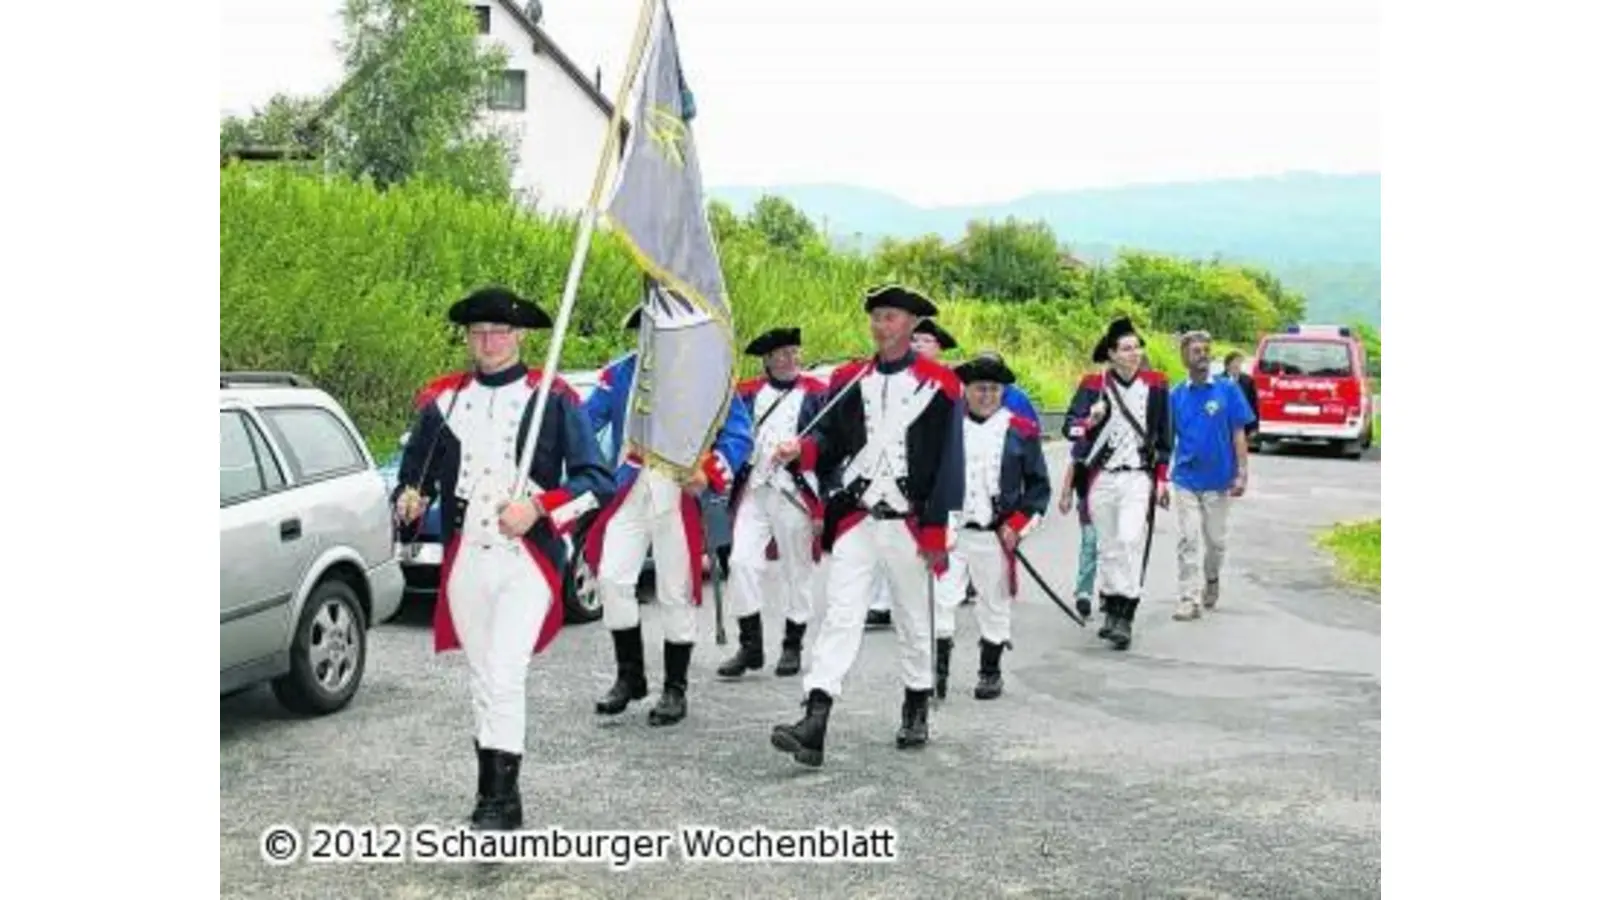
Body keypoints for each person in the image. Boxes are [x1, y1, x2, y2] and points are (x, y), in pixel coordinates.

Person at [393, 286, 616, 831]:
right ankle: (494, 795)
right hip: (468, 555)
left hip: (526, 558)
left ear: (519, 336)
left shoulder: (554, 397)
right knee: (481, 673)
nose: (488, 342)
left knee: (505, 670)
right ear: (469, 337)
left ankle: (499, 799)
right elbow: (413, 474)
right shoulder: (442, 400)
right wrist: (410, 499)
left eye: (499, 332)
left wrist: (540, 507)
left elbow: (596, 484)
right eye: (478, 332)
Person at [767, 284, 964, 766]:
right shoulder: (849, 379)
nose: (881, 326)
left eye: (891, 317)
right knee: (839, 615)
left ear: (913, 324)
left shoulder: (940, 385)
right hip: (857, 517)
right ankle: (815, 719)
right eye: (877, 316)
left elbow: (949, 464)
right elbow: (830, 441)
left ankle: (916, 702)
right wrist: (803, 452)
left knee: (914, 621)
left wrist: (937, 532)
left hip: (910, 523)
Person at [583, 306, 755, 727]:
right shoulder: (619, 374)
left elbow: (739, 433)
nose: (653, 339)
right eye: (647, 332)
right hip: (629, 489)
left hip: (679, 493)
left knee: (675, 592)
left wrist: (711, 469)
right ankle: (630, 676)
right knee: (611, 578)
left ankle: (675, 689)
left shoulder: (708, 378)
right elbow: (585, 421)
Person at [716, 326, 829, 679]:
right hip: (754, 490)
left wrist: (802, 449)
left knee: (798, 571)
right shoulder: (745, 393)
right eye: (782, 354)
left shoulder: (818, 394)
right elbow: (726, 431)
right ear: (767, 359)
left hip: (794, 491)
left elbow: (830, 438)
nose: (791, 359)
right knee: (741, 563)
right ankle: (750, 646)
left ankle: (792, 645)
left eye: (795, 352)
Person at [941, 353, 1051, 700]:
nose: (986, 395)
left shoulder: (1021, 430)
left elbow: (1038, 489)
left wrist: (1017, 525)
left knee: (994, 603)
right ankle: (936, 672)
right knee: (940, 603)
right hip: (951, 533)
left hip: (994, 534)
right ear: (966, 390)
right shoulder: (946, 428)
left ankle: (990, 671)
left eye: (993, 389)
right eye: (979, 388)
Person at [1064, 316, 1173, 651]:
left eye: (1137, 347)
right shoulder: (1092, 385)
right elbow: (1071, 429)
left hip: (1137, 476)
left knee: (1128, 539)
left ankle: (1126, 612)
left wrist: (1163, 478)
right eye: (1126, 349)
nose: (1133, 354)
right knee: (1108, 545)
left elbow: (1165, 435)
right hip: (1101, 478)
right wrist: (1089, 420)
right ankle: (1112, 611)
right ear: (1111, 354)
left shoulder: (1156, 384)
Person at [1170, 331, 1254, 620]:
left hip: (1219, 480)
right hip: (1185, 479)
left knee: (1215, 542)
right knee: (1188, 538)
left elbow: (1238, 432)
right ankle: (1188, 597)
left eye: (1206, 349)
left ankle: (1212, 579)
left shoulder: (1227, 390)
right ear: (1184, 357)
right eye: (1196, 350)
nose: (1202, 355)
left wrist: (1242, 472)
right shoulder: (1176, 396)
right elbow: (1167, 440)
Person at [1222, 351, 1260, 443]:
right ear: (1227, 365)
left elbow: (1253, 405)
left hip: (1242, 426)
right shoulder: (1218, 381)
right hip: (1223, 426)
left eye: (1239, 362)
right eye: (1235, 363)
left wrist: (1254, 427)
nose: (1238, 365)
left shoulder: (1248, 381)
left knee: (1240, 453)